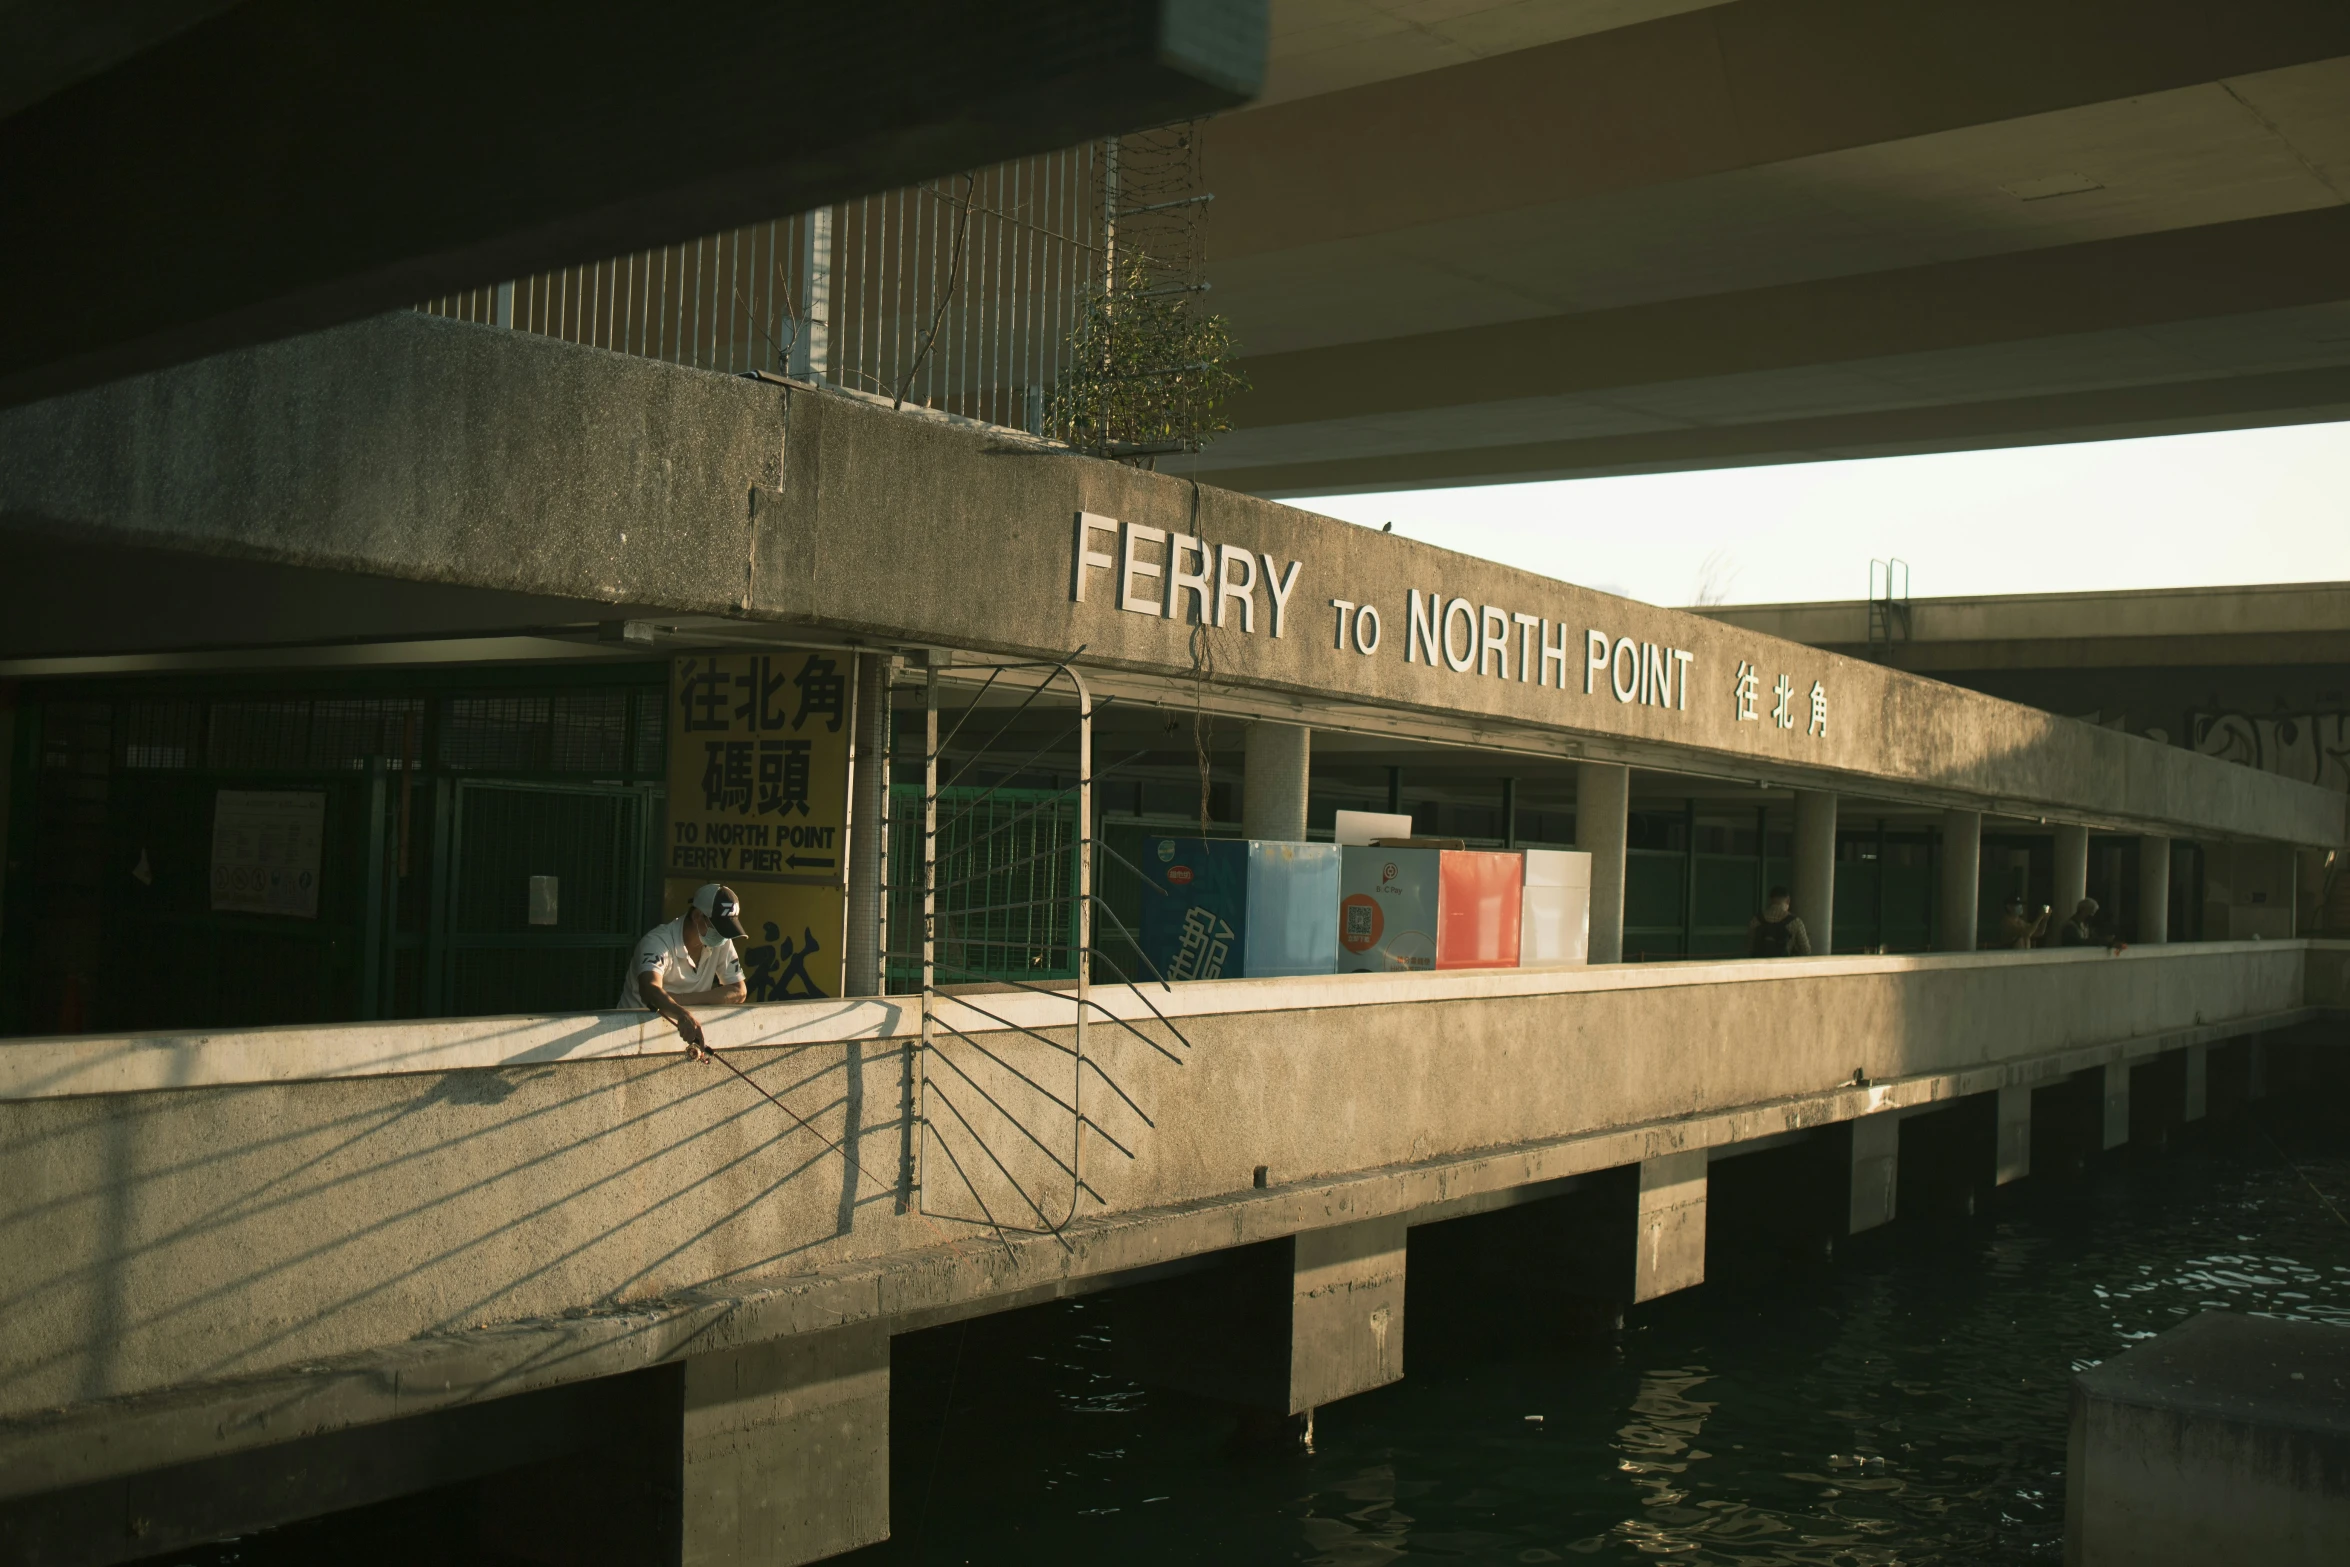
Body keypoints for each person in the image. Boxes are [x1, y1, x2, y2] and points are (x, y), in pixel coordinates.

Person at [622, 882, 748, 1052]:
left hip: (682, 1037)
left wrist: (682, 1002)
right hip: (630, 1037)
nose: (723, 936)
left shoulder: (722, 942)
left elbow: (739, 991)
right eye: (718, 927)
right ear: (697, 916)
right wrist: (682, 1013)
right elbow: (649, 989)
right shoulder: (657, 942)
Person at [1748, 885, 1813, 957]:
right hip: (1783, 965)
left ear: (1770, 900)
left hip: (1760, 965)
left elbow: (1750, 947)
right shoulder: (1795, 922)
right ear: (1788, 900)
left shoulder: (1757, 919)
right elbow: (1806, 950)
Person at [2056, 897, 2128, 954]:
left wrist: (2110, 943)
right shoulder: (2070, 927)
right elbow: (2079, 944)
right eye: (2091, 912)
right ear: (2082, 910)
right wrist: (2103, 941)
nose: (2092, 916)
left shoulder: (2085, 926)